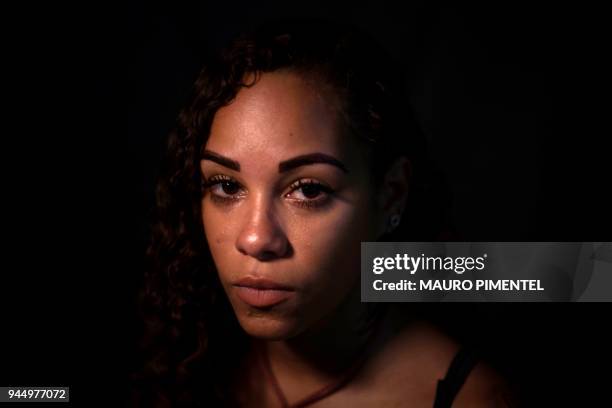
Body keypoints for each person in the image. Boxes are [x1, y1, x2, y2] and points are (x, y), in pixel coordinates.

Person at [132, 18, 517, 407]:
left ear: (391, 196)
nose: (255, 239)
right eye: (227, 186)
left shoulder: (472, 397)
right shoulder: (181, 355)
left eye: (309, 190)